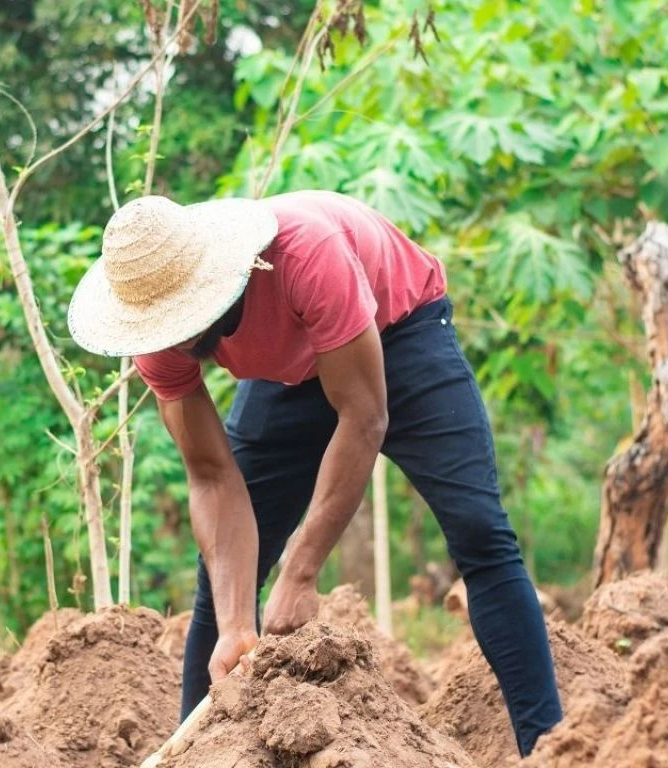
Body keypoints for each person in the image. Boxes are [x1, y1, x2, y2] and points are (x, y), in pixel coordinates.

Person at [65, 190, 562, 756]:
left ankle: (548, 747)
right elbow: (210, 476)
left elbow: (365, 417)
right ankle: (200, 757)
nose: (174, 340)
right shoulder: (154, 331)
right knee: (225, 577)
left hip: (400, 331)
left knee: (479, 531)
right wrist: (235, 626)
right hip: (290, 374)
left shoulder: (304, 255)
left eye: (184, 320)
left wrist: (302, 572)